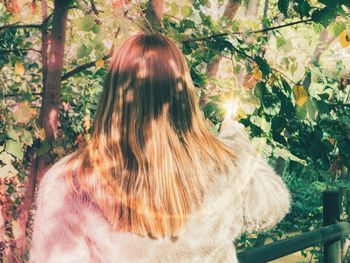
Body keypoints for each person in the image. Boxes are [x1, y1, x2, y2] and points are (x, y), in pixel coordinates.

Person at [29, 32, 290, 263]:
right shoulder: (226, 164)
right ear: (184, 93)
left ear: (113, 93)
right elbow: (272, 206)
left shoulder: (70, 183)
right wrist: (239, 143)